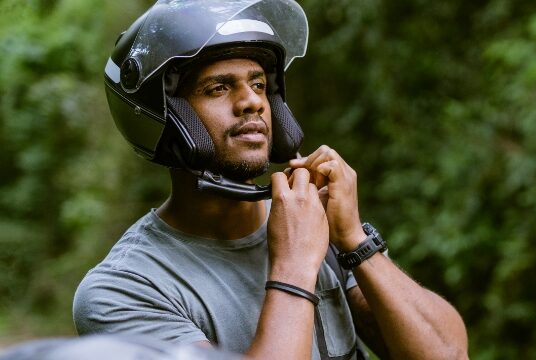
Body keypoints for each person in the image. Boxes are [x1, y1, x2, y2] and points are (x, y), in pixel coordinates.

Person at [73, 1, 468, 359]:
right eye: (219, 87)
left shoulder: (313, 224)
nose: (253, 102)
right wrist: (295, 264)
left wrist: (354, 241)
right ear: (167, 118)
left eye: (259, 84)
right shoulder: (124, 290)